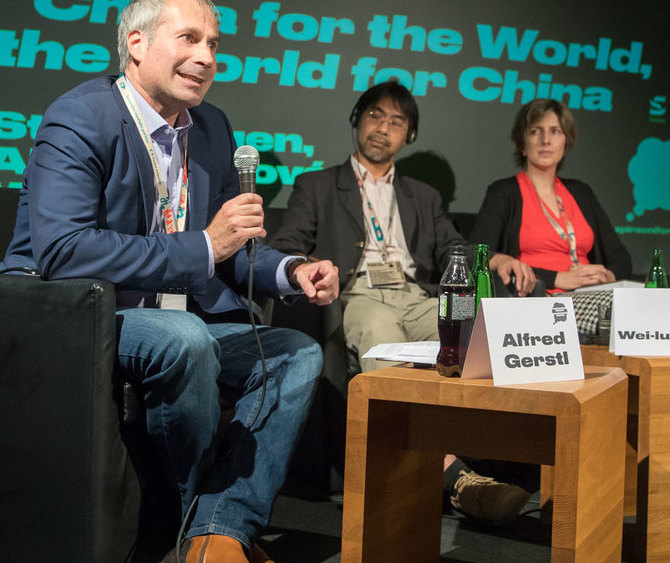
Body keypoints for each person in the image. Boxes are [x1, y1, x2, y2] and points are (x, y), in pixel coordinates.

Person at [0, 0, 340, 563]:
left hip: (176, 312)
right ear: (136, 43)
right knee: (185, 339)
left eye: (214, 44)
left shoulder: (212, 127)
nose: (207, 57)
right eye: (190, 39)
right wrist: (205, 245)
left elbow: (227, 251)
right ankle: (205, 535)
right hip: (82, 310)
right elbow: (64, 251)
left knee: (296, 353)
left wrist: (291, 271)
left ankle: (215, 533)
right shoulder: (80, 116)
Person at [271, 82, 530, 524]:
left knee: (478, 336)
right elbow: (286, 245)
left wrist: (495, 257)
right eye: (375, 115)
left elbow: (454, 249)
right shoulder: (318, 185)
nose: (383, 128)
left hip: (418, 297)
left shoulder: (422, 196)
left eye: (396, 122)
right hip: (359, 294)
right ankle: (454, 478)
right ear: (357, 119)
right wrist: (308, 264)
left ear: (408, 135)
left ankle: (496, 457)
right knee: (382, 338)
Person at [469, 99, 632, 297]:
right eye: (535, 131)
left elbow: (620, 257)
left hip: (591, 293)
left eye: (555, 131)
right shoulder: (503, 192)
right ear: (522, 144)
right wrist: (556, 278)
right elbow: (478, 255)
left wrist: (608, 276)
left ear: (565, 142)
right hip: (537, 295)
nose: (545, 140)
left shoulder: (581, 192)